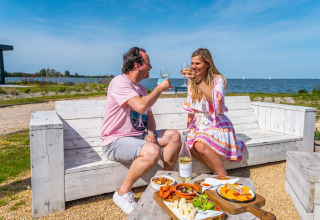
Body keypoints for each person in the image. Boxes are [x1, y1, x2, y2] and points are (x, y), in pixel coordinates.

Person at [101, 47, 181, 215]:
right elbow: (141, 106)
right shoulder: (119, 82)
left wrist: (151, 134)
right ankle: (122, 193)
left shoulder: (141, 89)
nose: (151, 67)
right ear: (137, 65)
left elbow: (149, 116)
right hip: (115, 141)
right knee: (153, 151)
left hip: (138, 137)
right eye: (148, 63)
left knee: (174, 135)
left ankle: (165, 183)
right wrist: (159, 89)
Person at [181, 48, 245, 176]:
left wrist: (199, 81)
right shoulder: (191, 82)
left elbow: (217, 104)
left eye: (197, 63)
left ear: (207, 64)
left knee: (199, 144)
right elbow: (190, 109)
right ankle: (216, 169)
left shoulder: (218, 80)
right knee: (188, 145)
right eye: (192, 63)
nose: (194, 67)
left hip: (215, 122)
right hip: (197, 124)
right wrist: (188, 128)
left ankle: (222, 175)